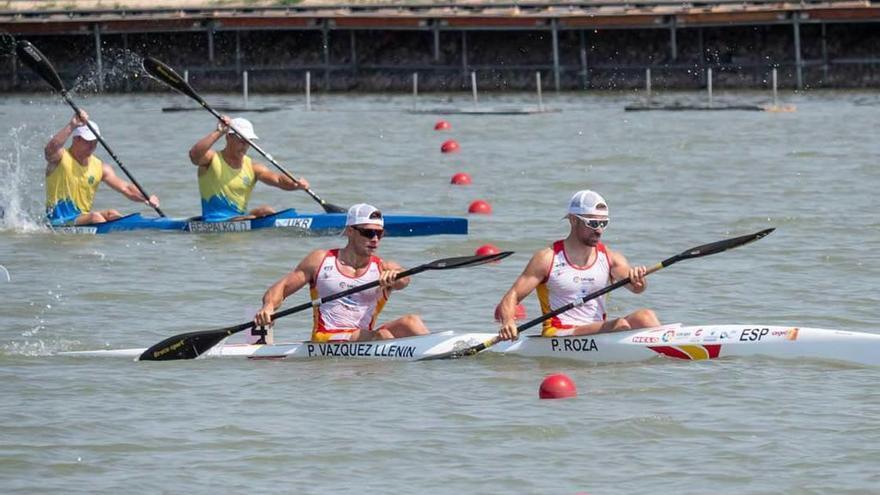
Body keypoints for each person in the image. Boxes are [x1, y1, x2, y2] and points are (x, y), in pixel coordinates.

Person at [497, 189, 660, 341]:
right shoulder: (547, 258)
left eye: (603, 223)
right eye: (593, 223)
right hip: (559, 332)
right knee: (620, 325)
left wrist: (639, 280)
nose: (599, 231)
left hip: (599, 330)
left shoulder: (610, 257)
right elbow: (512, 296)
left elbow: (636, 288)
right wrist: (508, 322)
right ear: (574, 220)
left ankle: (672, 353)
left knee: (646, 316)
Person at [253, 203, 430, 343]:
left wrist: (396, 276)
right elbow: (282, 288)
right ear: (350, 231)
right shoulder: (320, 260)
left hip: (366, 337)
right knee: (382, 336)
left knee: (411, 322)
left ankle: (441, 355)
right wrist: (268, 307)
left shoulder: (384, 267)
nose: (374, 239)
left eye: (379, 233)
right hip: (326, 338)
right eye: (368, 233)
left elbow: (404, 279)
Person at [44, 110, 159, 226]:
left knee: (112, 213)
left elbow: (126, 188)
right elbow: (50, 149)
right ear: (76, 139)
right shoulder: (60, 159)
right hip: (57, 221)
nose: (92, 146)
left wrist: (146, 198)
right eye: (88, 141)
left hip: (82, 218)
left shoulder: (100, 167)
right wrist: (72, 125)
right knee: (95, 217)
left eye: (95, 141)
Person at [188, 116, 310, 222]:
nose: (245, 146)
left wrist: (295, 183)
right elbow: (194, 155)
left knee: (267, 211)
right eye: (241, 141)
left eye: (249, 141)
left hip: (240, 220)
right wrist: (219, 131)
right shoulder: (211, 159)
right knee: (261, 213)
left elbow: (278, 179)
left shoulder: (253, 167)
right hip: (214, 221)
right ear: (228, 137)